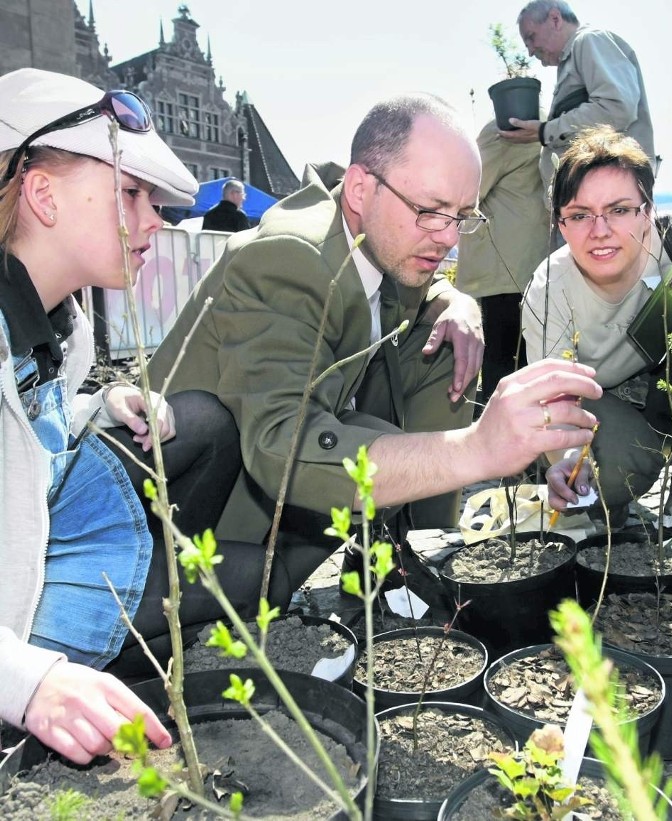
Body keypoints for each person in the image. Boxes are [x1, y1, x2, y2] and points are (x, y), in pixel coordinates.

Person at [147, 93, 603, 589]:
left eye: (462, 216)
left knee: (445, 341)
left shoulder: (378, 236)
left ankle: (420, 555)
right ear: (361, 189)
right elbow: (282, 446)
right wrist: (475, 450)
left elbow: (424, 283)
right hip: (200, 521)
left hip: (272, 462)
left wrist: (457, 301)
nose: (449, 238)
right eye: (431, 211)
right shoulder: (290, 258)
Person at [0, 68, 292, 766]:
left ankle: (141, 620)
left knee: (199, 423)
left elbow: (26, 433)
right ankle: (109, 653)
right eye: (131, 194)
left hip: (40, 552)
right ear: (42, 195)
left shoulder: (64, 320)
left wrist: (99, 402)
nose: (157, 220)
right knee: (260, 578)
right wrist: (30, 683)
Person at [522, 125, 672, 527]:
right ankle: (609, 507)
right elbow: (555, 397)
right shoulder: (548, 289)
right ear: (560, 225)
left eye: (619, 210)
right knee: (609, 474)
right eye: (580, 215)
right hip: (602, 396)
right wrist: (567, 463)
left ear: (648, 210)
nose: (600, 231)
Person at [501, 0, 655, 195]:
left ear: (555, 19)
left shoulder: (589, 41)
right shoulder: (572, 60)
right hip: (590, 202)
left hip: (606, 198)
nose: (530, 51)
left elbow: (616, 108)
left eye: (531, 37)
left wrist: (546, 131)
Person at [455, 119, 551, 406]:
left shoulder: (503, 130)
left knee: (499, 363)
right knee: (525, 362)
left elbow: (468, 189)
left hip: (501, 269)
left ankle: (498, 441)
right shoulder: (548, 126)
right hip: (534, 265)